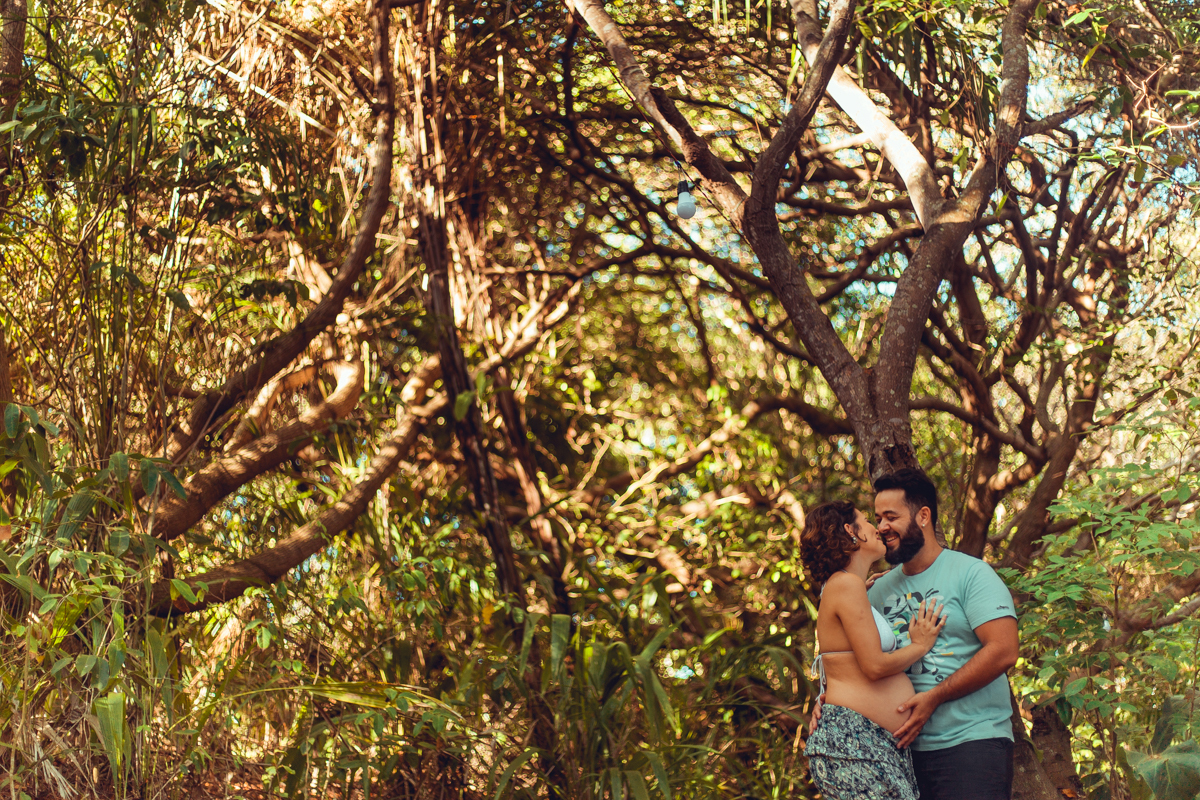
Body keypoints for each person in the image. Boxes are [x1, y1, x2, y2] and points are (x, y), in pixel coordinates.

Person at [868, 468, 1020, 800]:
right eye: (878, 518)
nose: (881, 527)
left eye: (891, 516)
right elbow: (860, 662)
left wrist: (935, 697)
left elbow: (1004, 650)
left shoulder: (972, 574)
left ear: (923, 516)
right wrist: (827, 701)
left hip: (972, 744)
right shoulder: (876, 592)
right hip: (900, 754)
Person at [800, 500, 947, 800]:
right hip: (854, 742)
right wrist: (920, 645)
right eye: (867, 521)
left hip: (869, 742)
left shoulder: (844, 587)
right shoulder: (844, 586)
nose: (876, 528)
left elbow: (840, 658)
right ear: (850, 531)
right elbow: (874, 666)